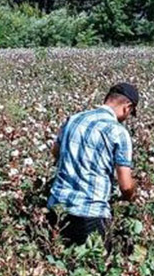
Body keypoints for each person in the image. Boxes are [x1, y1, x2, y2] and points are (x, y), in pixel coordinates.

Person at [47, 82, 139, 248]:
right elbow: (125, 186)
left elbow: (55, 152)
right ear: (128, 107)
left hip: (57, 208)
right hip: (90, 213)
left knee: (58, 264)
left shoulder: (74, 119)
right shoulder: (118, 132)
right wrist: (131, 194)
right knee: (93, 269)